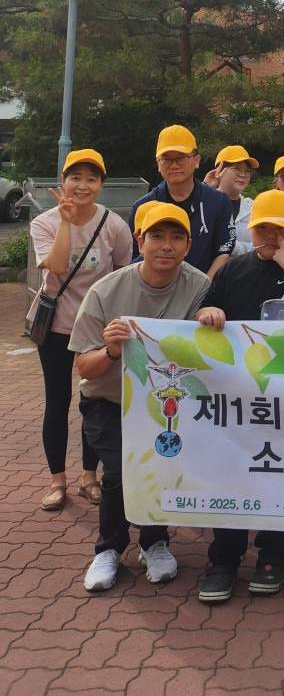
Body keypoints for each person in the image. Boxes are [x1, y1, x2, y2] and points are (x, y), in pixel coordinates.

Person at [69, 203, 215, 592]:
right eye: (156, 236)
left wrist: (213, 316)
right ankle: (109, 549)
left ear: (188, 245)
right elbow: (85, 368)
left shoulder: (199, 285)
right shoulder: (105, 291)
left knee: (162, 466)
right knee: (120, 471)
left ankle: (154, 542)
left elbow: (208, 344)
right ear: (139, 240)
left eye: (177, 237)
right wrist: (111, 351)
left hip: (166, 405)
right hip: (109, 402)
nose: (166, 245)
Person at [195, 191, 284, 602]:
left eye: (279, 228)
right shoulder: (233, 268)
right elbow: (207, 309)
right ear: (250, 230)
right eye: (262, 228)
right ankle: (223, 559)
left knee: (279, 472)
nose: (270, 235)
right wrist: (209, 314)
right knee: (232, 470)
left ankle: (273, 556)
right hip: (236, 395)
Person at [29, 149, 134, 513]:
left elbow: (123, 275)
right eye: (75, 177)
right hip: (57, 324)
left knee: (95, 399)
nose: (83, 185)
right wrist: (65, 222)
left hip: (97, 328)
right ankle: (57, 481)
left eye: (92, 178)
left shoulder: (114, 225)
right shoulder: (43, 223)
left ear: (101, 184)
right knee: (57, 401)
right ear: (63, 181)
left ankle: (90, 477)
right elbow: (57, 267)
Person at [129, 126, 235, 276]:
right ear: (158, 164)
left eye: (181, 158)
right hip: (156, 287)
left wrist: (204, 285)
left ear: (197, 161)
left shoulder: (218, 202)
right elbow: (137, 256)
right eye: (166, 159)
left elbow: (223, 251)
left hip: (206, 286)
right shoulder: (142, 207)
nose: (174, 165)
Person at [203, 145, 258, 251]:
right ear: (219, 170)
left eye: (247, 171)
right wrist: (205, 187)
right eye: (237, 168)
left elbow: (260, 245)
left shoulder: (253, 207)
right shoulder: (204, 203)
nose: (243, 175)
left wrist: (230, 245)